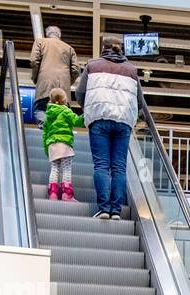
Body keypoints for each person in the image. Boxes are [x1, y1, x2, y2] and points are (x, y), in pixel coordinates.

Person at [76, 34, 140, 221]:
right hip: (123, 121)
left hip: (99, 118)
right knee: (119, 167)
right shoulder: (131, 70)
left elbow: (80, 93)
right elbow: (139, 100)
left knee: (102, 165)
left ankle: (104, 208)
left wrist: (89, 107)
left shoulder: (92, 65)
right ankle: (116, 211)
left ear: (103, 47)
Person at [40, 88, 84, 201]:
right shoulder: (66, 111)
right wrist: (85, 115)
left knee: (54, 168)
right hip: (64, 144)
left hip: (52, 145)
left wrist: (46, 148)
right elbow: (77, 121)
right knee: (66, 168)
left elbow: (45, 133)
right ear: (65, 100)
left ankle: (53, 194)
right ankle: (66, 194)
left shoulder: (48, 115)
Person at [30, 25, 81, 122]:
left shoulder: (40, 42)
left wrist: (36, 78)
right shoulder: (69, 48)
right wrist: (67, 83)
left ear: (47, 34)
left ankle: (45, 130)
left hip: (45, 85)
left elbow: (33, 61)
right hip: (63, 91)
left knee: (41, 109)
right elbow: (76, 70)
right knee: (61, 117)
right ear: (59, 35)